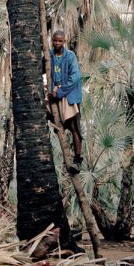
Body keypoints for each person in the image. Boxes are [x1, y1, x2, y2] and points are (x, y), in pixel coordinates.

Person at [48, 30, 84, 173]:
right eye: (54, 41)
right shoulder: (49, 55)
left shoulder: (70, 56)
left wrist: (60, 92)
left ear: (64, 41)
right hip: (54, 93)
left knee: (74, 128)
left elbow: (75, 77)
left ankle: (78, 160)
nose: (57, 43)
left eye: (59, 41)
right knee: (48, 115)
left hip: (68, 94)